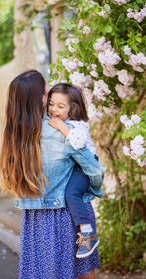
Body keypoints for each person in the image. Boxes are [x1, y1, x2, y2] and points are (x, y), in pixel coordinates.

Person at [0, 70, 104, 279]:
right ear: (39, 98)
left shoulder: (13, 134)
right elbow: (95, 170)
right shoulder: (61, 130)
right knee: (85, 276)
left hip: (36, 220)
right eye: (47, 91)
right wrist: (93, 189)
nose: (50, 94)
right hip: (69, 214)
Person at [47, 83, 100, 259]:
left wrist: (61, 126)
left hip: (83, 167)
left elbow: (78, 143)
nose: (54, 109)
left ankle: (87, 233)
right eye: (51, 104)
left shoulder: (78, 125)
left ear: (73, 109)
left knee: (71, 193)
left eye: (60, 106)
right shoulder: (57, 121)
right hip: (73, 165)